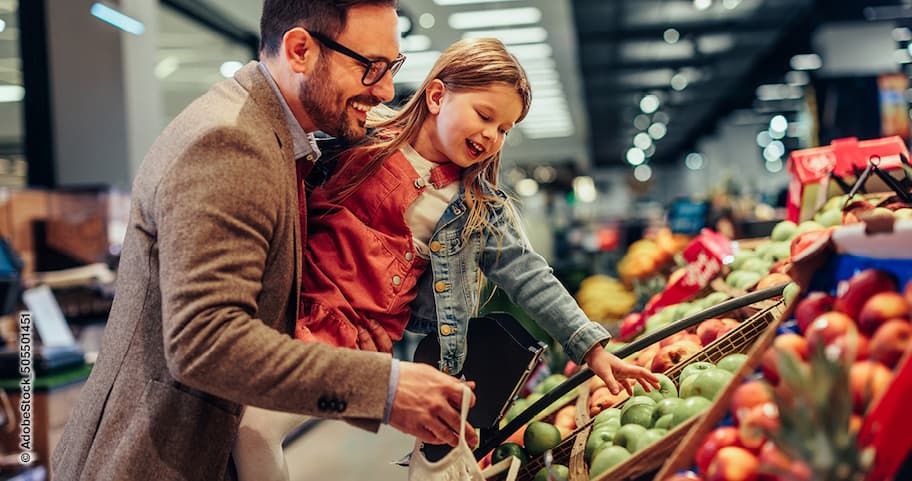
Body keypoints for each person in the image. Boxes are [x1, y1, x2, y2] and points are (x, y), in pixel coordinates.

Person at [51, 2, 477, 480]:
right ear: (300, 50)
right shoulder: (231, 143)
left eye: (391, 67)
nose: (384, 90)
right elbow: (205, 341)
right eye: (371, 67)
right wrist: (386, 388)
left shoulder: (276, 140)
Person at [234, 37, 660, 481]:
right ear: (437, 96)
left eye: (504, 129)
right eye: (484, 115)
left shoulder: (479, 208)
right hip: (283, 310)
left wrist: (592, 347)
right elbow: (281, 166)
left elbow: (530, 275)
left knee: (255, 426)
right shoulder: (357, 143)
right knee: (244, 425)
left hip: (352, 341)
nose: (491, 136)